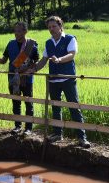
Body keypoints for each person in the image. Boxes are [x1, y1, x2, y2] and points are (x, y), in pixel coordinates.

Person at [29, 16, 90, 148]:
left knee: (74, 107)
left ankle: (82, 137)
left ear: (60, 26)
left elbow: (72, 54)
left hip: (68, 79)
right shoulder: (48, 43)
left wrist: (59, 60)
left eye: (54, 26)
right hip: (53, 80)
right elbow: (43, 60)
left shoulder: (70, 38)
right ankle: (58, 134)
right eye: (49, 27)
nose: (51, 29)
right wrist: (33, 69)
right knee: (56, 107)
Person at [0, 21, 40, 135]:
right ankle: (17, 126)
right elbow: (5, 59)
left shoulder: (31, 45)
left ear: (25, 31)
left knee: (28, 102)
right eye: (15, 31)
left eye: (19, 31)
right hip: (13, 77)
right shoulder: (10, 44)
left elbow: (36, 61)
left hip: (26, 78)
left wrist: (28, 68)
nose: (16, 33)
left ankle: (28, 128)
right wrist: (0, 60)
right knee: (15, 101)